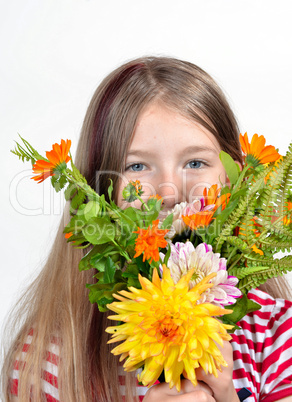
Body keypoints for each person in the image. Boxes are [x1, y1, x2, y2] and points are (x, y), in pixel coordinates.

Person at [2, 56, 292, 402]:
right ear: (94, 193)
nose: (169, 191)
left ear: (235, 176)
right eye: (137, 166)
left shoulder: (277, 337)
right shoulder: (49, 362)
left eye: (195, 162)